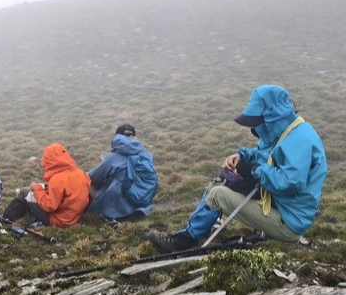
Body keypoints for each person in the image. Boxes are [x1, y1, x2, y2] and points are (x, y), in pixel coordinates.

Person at [147, 85, 327, 253]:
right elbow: (266, 153)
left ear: (272, 117)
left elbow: (291, 182)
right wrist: (243, 157)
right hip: (278, 205)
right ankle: (188, 235)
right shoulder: (287, 131)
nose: (254, 127)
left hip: (288, 222)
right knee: (217, 185)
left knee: (218, 195)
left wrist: (254, 170)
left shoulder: (299, 140)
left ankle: (181, 244)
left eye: (257, 121)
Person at [2, 143, 91, 227]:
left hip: (58, 221)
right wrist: (45, 188)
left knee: (24, 192)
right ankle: (24, 216)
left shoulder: (57, 179)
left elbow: (49, 206)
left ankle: (6, 220)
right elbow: (67, 194)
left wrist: (37, 188)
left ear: (49, 160)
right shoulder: (81, 174)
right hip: (73, 218)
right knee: (34, 192)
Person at [85, 124, 157, 224]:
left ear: (117, 138)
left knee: (87, 181)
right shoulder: (147, 155)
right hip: (142, 204)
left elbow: (95, 177)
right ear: (134, 138)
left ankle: (103, 211)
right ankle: (138, 210)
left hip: (117, 209)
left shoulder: (113, 157)